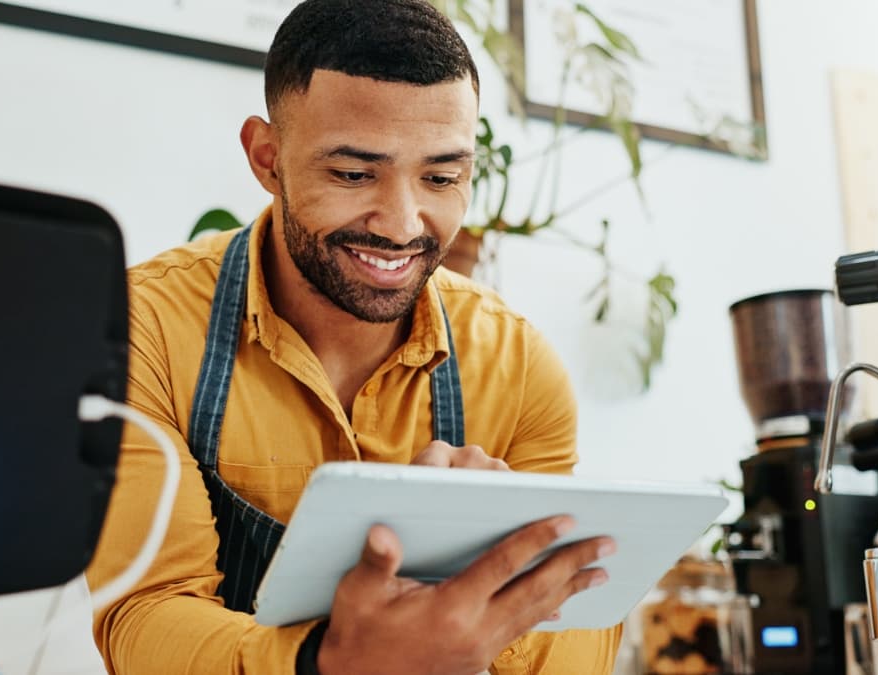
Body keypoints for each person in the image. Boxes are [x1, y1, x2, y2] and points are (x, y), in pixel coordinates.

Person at [85, 0, 621, 672]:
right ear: (266, 157)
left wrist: (494, 552)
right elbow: (145, 616)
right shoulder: (142, 329)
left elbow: (577, 632)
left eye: (441, 177)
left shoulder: (516, 365)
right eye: (353, 174)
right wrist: (332, 661)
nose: (401, 224)